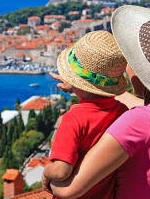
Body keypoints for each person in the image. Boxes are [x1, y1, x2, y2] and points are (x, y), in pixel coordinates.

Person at [49, 5, 150, 199]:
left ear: (141, 72)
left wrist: (49, 182)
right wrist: (84, 86)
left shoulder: (140, 121)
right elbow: (141, 110)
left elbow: (69, 190)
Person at [42, 30, 128, 199]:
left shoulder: (73, 119)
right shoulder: (123, 113)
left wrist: (46, 173)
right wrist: (77, 86)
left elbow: (60, 171)